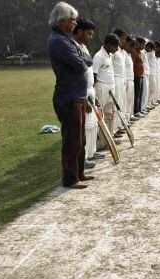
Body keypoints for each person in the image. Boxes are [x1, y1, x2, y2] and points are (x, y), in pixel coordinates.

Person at [48, 2, 94, 189]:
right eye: (71, 19)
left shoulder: (66, 39)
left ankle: (79, 173)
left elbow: (85, 60)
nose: (74, 22)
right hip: (68, 97)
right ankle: (70, 178)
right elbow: (81, 64)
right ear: (61, 20)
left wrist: (83, 59)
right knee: (72, 140)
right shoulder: (58, 41)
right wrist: (83, 59)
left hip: (77, 96)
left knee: (80, 139)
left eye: (75, 19)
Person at [73, 18, 103, 168]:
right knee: (85, 127)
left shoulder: (84, 47)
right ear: (79, 31)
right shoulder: (73, 47)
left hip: (90, 90)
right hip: (81, 92)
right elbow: (78, 75)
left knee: (92, 125)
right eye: (88, 33)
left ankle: (92, 152)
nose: (90, 37)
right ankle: (82, 159)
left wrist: (93, 94)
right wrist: (84, 96)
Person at [93, 34, 119, 147]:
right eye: (115, 46)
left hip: (110, 88)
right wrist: (94, 95)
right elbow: (94, 75)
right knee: (100, 116)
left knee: (110, 115)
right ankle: (98, 144)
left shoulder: (109, 55)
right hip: (101, 88)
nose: (117, 49)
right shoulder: (99, 56)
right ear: (108, 44)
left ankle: (108, 141)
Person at [112, 29, 127, 137]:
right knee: (114, 106)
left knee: (120, 104)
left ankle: (117, 127)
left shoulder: (121, 51)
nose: (124, 41)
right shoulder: (113, 50)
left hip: (121, 79)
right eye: (123, 38)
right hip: (115, 80)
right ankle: (112, 130)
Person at [133, 37, 146, 118]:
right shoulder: (134, 52)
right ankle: (136, 111)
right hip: (136, 76)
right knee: (136, 95)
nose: (143, 46)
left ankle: (139, 109)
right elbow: (133, 65)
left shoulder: (140, 53)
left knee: (140, 94)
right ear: (138, 43)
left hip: (141, 75)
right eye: (143, 44)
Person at [123, 36, 135, 123]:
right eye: (130, 46)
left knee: (130, 100)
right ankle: (124, 120)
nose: (132, 48)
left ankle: (128, 117)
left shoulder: (128, 54)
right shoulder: (123, 53)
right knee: (125, 101)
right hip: (125, 80)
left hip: (131, 79)